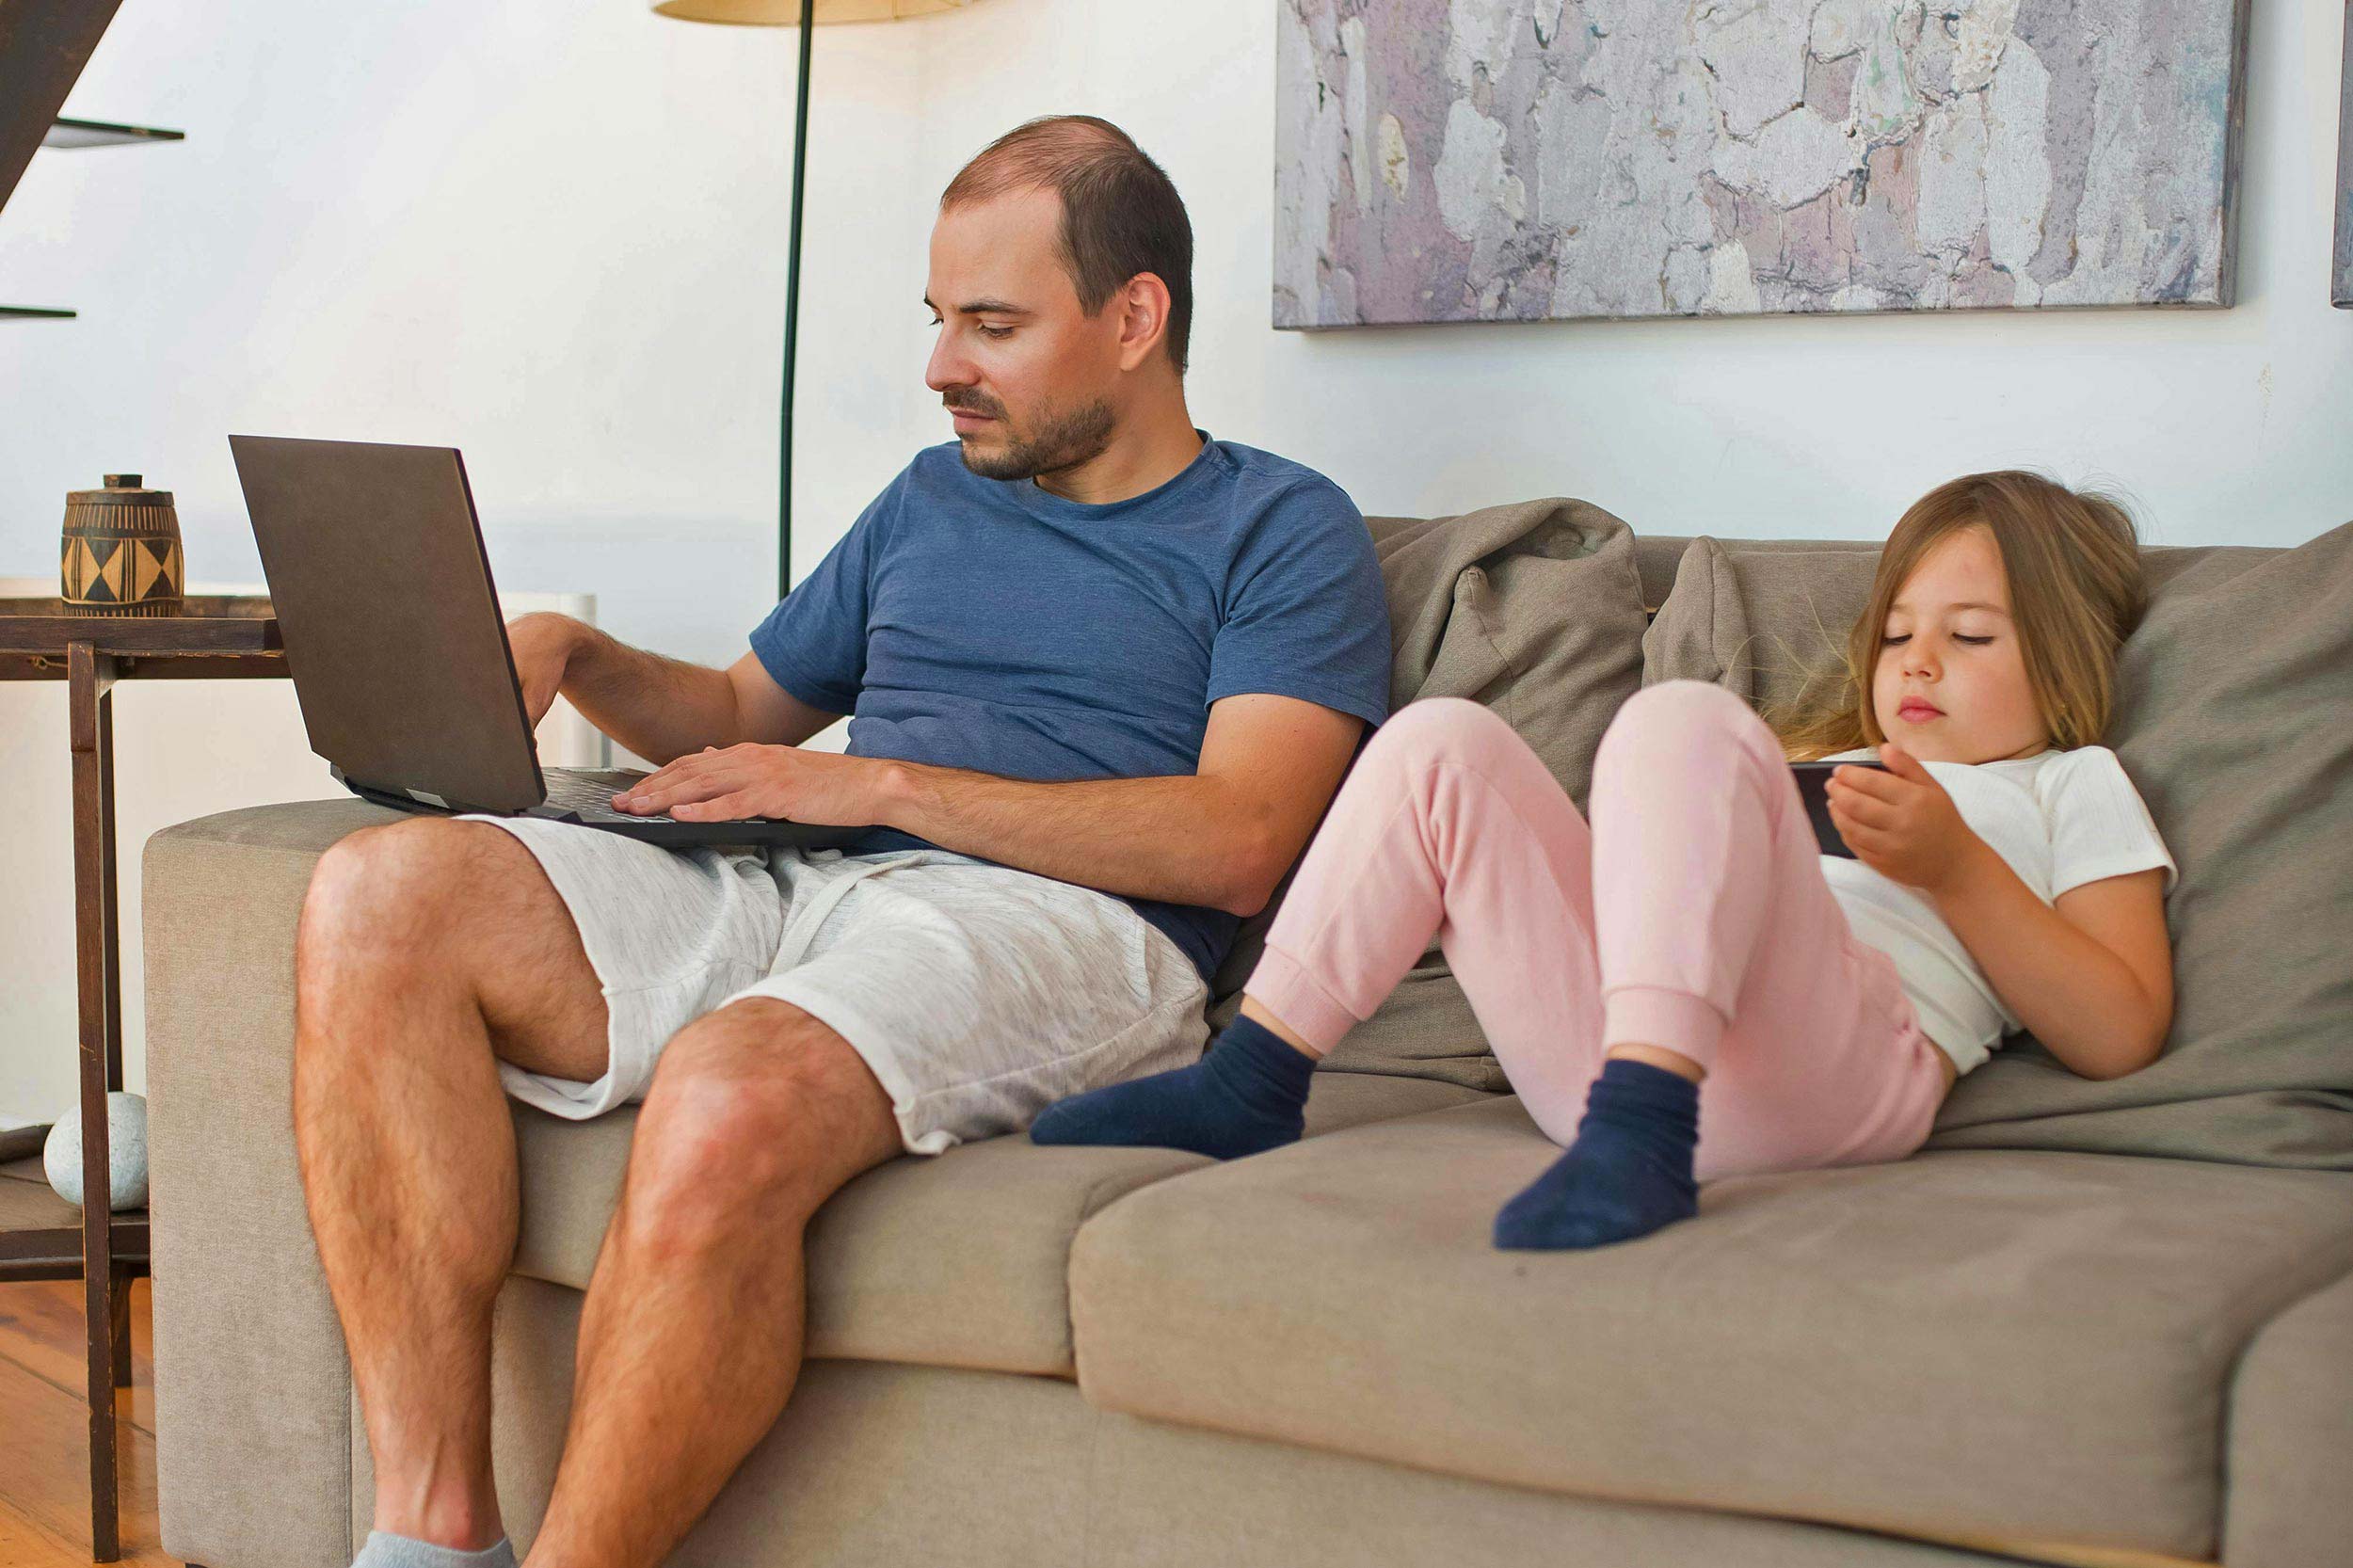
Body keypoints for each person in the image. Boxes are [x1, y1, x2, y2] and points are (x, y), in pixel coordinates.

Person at [293, 115, 1391, 1568]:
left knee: (728, 1092)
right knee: (376, 895)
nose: (942, 367)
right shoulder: (934, 496)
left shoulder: (1280, 527)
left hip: (1065, 924)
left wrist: (884, 784)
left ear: (1136, 318)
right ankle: (429, 1537)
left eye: (991, 325)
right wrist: (580, 648)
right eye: (939, 321)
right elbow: (741, 708)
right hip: (793, 872)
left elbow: (1242, 839)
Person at [1033, 471, 2178, 1254]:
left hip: (1832, 1081)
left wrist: (1958, 867)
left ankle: (1643, 1132)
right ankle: (1255, 1081)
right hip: (1604, 1060)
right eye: (1895, 631)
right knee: (1443, 743)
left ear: (2062, 652)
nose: (1918, 657)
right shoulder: (1831, 760)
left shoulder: (2067, 783)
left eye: (1969, 635)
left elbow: (2120, 1026)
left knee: (1683, 717)